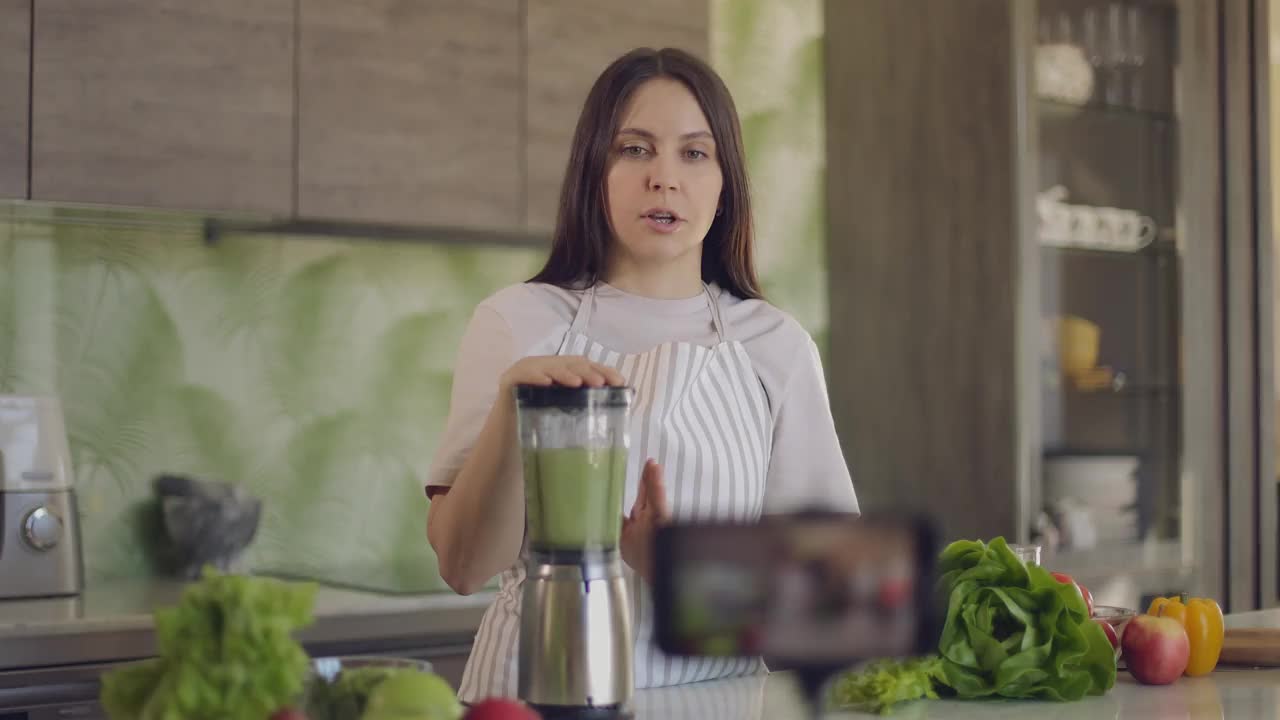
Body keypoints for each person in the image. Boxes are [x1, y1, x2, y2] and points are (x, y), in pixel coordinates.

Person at [425, 46, 859, 703]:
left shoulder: (776, 348)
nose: (664, 178)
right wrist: (516, 405)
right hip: (535, 695)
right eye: (634, 149)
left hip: (717, 702)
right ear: (593, 169)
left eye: (694, 153)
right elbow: (462, 567)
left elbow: (833, 612)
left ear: (724, 183)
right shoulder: (516, 324)